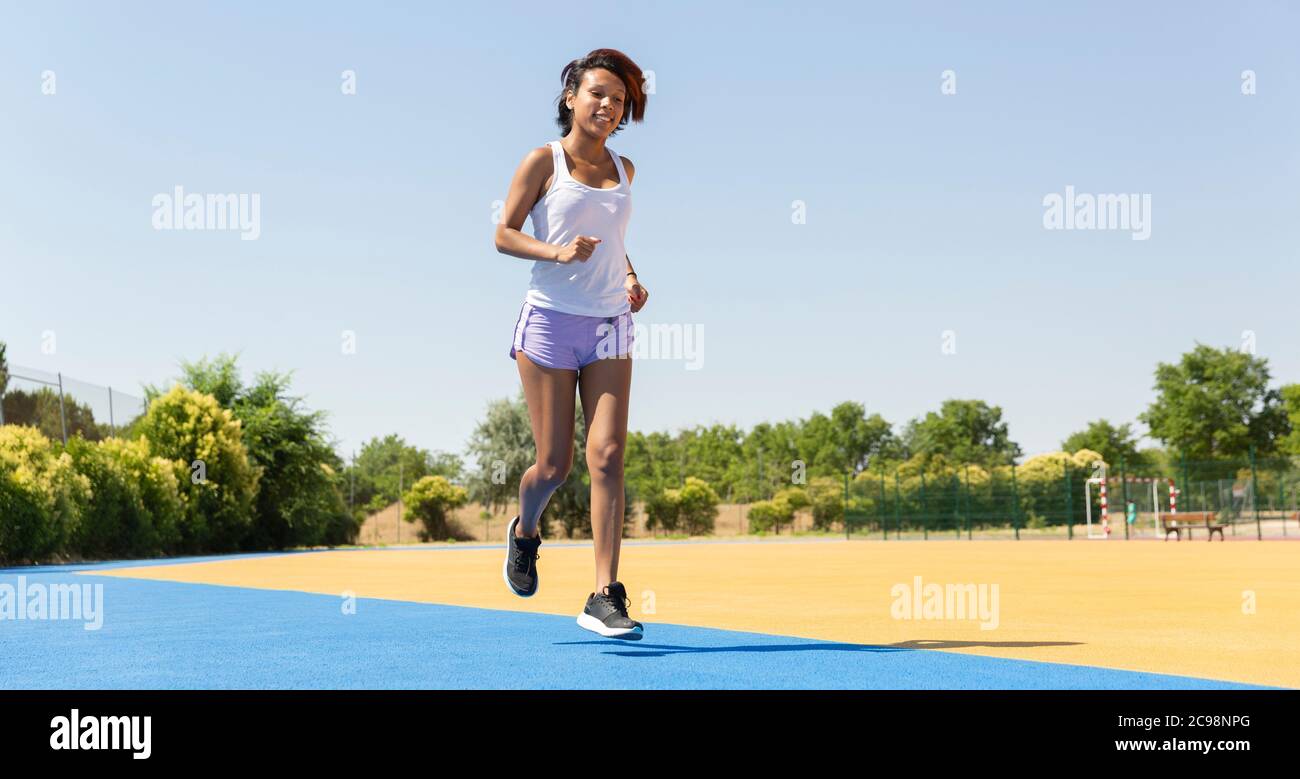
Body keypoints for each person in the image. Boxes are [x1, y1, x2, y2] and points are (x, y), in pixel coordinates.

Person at [493, 49, 649, 640]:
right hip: (551, 321)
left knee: (607, 456)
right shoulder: (544, 161)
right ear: (571, 98)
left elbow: (611, 239)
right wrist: (556, 252)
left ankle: (604, 594)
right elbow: (503, 233)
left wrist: (630, 277)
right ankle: (526, 531)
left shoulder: (626, 169)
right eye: (598, 94)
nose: (609, 106)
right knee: (554, 464)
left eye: (619, 99)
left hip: (610, 323)